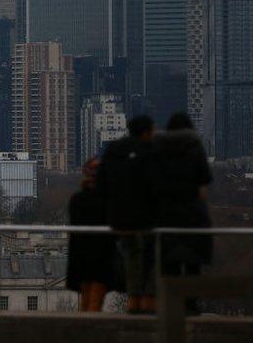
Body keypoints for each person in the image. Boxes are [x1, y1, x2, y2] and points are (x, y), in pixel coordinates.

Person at [96, 115, 157, 314]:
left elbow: (102, 183)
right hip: (147, 216)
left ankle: (132, 298)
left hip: (120, 216)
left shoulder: (113, 149)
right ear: (147, 131)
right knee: (151, 256)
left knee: (131, 255)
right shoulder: (151, 150)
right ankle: (147, 299)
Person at [152, 112, 212, 312]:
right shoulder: (195, 148)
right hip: (193, 216)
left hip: (166, 215)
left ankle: (171, 307)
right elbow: (204, 182)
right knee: (193, 264)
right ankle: (191, 306)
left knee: (170, 264)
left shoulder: (159, 149)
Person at [66, 158, 118, 312]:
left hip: (82, 256)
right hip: (101, 256)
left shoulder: (77, 199)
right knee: (95, 301)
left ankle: (85, 330)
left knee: (86, 300)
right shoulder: (108, 199)